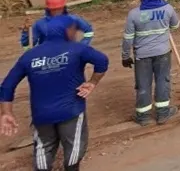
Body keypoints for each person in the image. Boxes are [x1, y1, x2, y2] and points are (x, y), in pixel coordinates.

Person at [0, 15, 109, 171]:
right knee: (73, 144)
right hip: (71, 110)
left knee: (43, 147)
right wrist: (92, 82)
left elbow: (7, 86)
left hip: (41, 114)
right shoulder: (77, 48)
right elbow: (102, 61)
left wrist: (6, 113)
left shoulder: (29, 56)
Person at [122, 0, 180, 126]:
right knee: (163, 81)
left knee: (143, 85)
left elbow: (128, 38)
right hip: (163, 53)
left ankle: (143, 117)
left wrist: (125, 56)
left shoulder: (134, 14)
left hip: (142, 56)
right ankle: (162, 114)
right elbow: (175, 25)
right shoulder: (167, 9)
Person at [21, 0, 94, 51]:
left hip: (69, 56)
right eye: (54, 9)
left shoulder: (73, 19)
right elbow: (29, 46)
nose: (57, 12)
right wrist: (25, 32)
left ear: (63, 8)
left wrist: (81, 46)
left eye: (59, 9)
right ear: (48, 9)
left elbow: (89, 32)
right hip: (48, 57)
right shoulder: (40, 24)